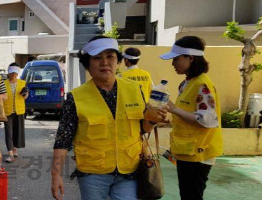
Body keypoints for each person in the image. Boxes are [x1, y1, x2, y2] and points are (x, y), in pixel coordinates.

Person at [50, 36, 166, 200]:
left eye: (110, 56)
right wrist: (56, 176)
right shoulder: (76, 97)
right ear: (88, 64)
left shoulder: (134, 89)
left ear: (118, 61)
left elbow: (141, 130)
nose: (105, 62)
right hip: (93, 174)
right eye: (97, 58)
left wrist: (152, 120)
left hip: (129, 170)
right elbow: (62, 139)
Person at [160, 36, 222, 200]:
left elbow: (207, 120)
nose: (173, 63)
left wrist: (174, 109)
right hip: (187, 150)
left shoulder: (202, 85)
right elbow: (187, 114)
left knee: (191, 196)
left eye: (176, 59)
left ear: (191, 58)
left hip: (198, 152)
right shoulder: (186, 83)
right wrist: (170, 118)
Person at [3, 62, 28, 163]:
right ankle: (10, 153)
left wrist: (25, 94)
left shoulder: (22, 83)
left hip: (19, 110)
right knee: (8, 132)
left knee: (17, 131)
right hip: (7, 111)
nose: (13, 74)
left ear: (18, 73)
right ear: (9, 72)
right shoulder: (3, 83)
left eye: (15, 72)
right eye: (12, 72)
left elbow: (26, 96)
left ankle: (14, 148)